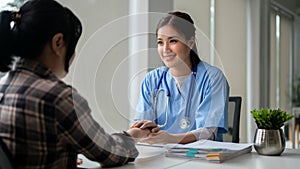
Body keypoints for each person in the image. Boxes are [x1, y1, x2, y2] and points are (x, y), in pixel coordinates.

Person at [0, 0, 153, 168]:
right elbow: (109, 153)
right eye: (72, 46)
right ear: (58, 42)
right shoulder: (57, 97)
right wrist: (134, 135)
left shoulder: (3, 86)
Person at [132, 11, 230, 144]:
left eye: (173, 41)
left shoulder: (212, 78)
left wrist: (170, 139)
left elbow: (208, 132)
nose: (166, 49)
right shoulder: (152, 80)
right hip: (161, 156)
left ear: (190, 43)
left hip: (201, 158)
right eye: (160, 42)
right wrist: (126, 136)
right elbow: (142, 126)